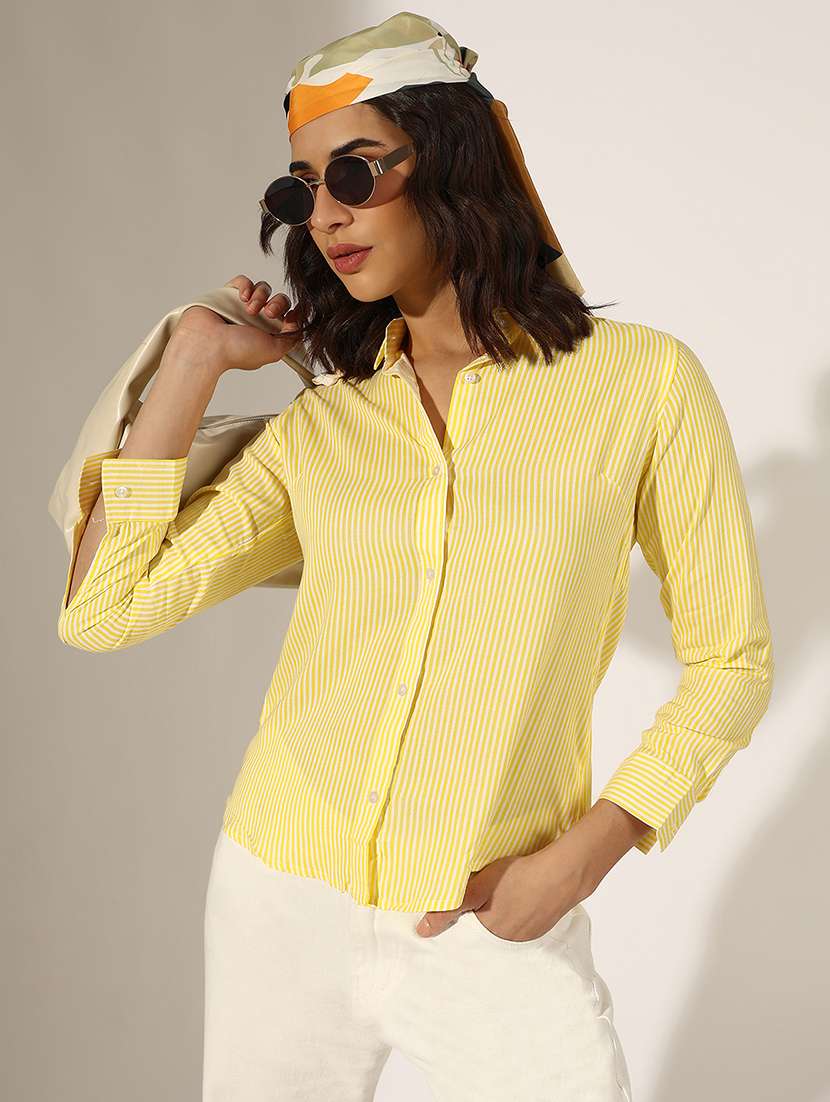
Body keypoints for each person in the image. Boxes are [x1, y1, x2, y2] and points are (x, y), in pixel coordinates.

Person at [57, 12, 775, 1101]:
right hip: (279, 899)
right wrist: (194, 357)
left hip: (489, 910)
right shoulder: (326, 428)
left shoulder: (641, 385)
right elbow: (103, 611)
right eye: (302, 189)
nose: (326, 214)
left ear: (452, 158)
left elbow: (730, 661)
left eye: (354, 171)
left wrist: (583, 856)